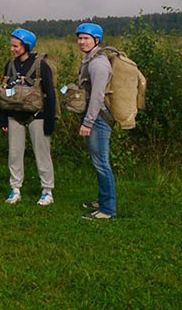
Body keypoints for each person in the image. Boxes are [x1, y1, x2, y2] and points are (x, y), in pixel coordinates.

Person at [0, 29, 57, 206]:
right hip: (14, 116)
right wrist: (3, 118)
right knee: (15, 154)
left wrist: (49, 121)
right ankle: (15, 188)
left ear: (26, 46)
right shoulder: (9, 66)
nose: (12, 49)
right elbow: (5, 93)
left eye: (16, 46)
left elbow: (50, 94)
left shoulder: (42, 65)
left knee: (42, 153)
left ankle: (47, 190)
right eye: (11, 45)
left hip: (37, 116)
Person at [75, 22, 116, 220]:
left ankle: (107, 210)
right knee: (99, 161)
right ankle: (103, 199)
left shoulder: (98, 64)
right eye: (80, 38)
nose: (81, 42)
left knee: (102, 163)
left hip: (99, 118)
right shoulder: (90, 59)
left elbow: (98, 97)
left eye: (86, 38)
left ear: (96, 41)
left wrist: (88, 122)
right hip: (95, 117)